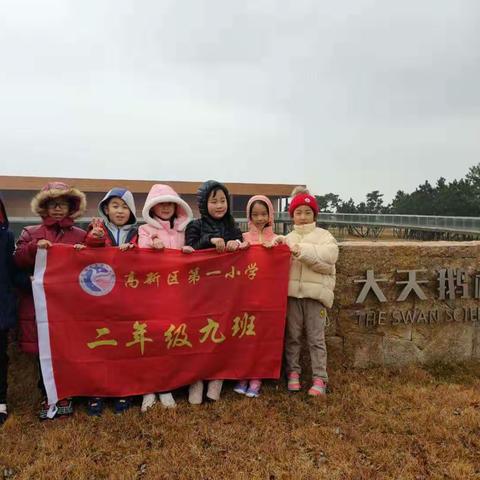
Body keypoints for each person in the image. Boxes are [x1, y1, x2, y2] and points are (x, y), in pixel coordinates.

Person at [14, 182, 86, 419]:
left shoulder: (80, 235)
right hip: (39, 306)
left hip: (70, 305)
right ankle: (48, 395)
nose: (57, 209)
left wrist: (90, 246)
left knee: (68, 348)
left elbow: (93, 264)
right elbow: (18, 262)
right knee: (44, 351)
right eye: (52, 204)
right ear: (44, 207)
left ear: (71, 208)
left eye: (62, 205)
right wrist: (35, 248)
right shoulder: (30, 233)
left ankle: (67, 393)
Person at [185, 180, 247, 404]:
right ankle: (196, 380)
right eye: (214, 201)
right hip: (200, 290)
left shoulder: (232, 225)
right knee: (199, 333)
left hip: (226, 291)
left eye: (223, 201)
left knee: (221, 332)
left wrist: (236, 244)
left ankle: (217, 378)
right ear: (203, 204)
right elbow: (188, 249)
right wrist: (209, 241)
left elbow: (243, 245)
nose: (220, 205)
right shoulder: (195, 225)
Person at [82, 187, 138, 415]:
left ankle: (122, 390)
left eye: (125, 207)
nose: (120, 211)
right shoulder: (97, 229)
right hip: (101, 299)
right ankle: (97, 390)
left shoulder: (137, 231)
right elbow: (89, 249)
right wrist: (94, 238)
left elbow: (144, 257)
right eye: (115, 206)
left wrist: (135, 249)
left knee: (124, 343)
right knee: (101, 344)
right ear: (106, 208)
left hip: (127, 299)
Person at [138, 184, 193, 412]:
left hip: (177, 294)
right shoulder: (145, 230)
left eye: (170, 203)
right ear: (152, 207)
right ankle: (148, 388)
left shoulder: (182, 231)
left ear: (177, 207)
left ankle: (166, 386)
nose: (166, 208)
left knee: (171, 338)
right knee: (151, 340)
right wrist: (153, 243)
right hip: (152, 295)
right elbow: (141, 251)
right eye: (161, 204)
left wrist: (189, 251)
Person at [283, 187, 338, 397]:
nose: (303, 217)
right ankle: (293, 374)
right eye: (298, 212)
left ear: (315, 214)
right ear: (292, 215)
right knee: (293, 337)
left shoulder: (325, 236)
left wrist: (301, 251)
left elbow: (329, 258)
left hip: (315, 298)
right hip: (291, 296)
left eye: (307, 212)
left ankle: (319, 378)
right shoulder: (287, 237)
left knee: (316, 339)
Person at [233, 195, 278, 398]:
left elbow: (283, 255)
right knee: (246, 337)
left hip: (268, 299)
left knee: (263, 338)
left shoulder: (276, 238)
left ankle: (257, 377)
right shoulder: (243, 238)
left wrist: (277, 246)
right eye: (255, 214)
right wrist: (237, 247)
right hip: (246, 297)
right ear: (249, 216)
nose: (260, 218)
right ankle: (244, 373)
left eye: (263, 213)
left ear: (270, 214)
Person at [0, 195, 17, 425]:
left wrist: (34, 280)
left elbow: (13, 271)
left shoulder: (6, 237)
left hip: (0, 305)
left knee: (0, 355)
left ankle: (0, 400)